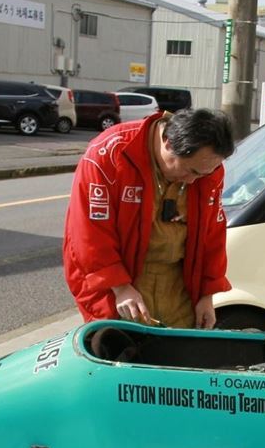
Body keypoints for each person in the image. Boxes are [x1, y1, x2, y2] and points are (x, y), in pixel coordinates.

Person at [63, 107, 235, 329]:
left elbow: (213, 233)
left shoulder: (207, 170)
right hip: (121, 283)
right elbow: (88, 232)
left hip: (178, 285)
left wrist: (206, 294)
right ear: (168, 143)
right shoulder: (110, 154)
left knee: (179, 347)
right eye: (190, 171)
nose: (192, 181)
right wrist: (120, 287)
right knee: (122, 345)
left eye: (204, 174)